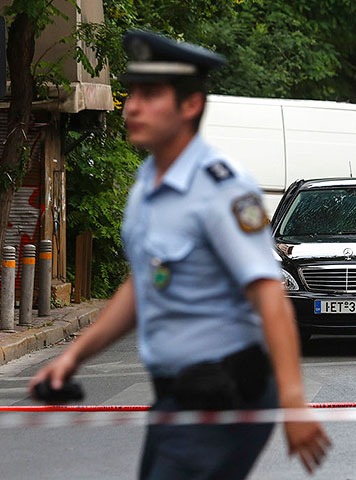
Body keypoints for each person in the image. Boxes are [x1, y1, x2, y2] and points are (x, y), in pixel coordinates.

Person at [29, 30, 330, 479]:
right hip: (178, 397)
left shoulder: (222, 188)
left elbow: (269, 296)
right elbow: (143, 286)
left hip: (227, 396)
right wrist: (74, 357)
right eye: (132, 93)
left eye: (150, 95)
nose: (132, 106)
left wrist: (293, 402)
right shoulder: (147, 184)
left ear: (189, 106)